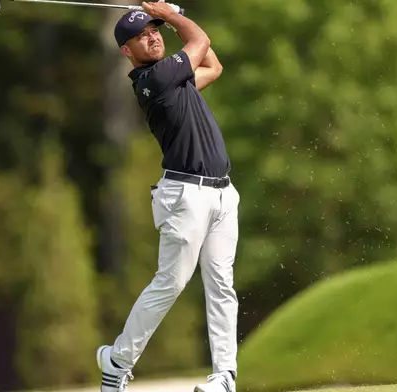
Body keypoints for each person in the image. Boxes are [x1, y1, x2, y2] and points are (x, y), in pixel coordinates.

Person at [96, 2, 240, 392]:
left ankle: (225, 377)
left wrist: (171, 20)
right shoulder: (155, 79)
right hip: (185, 194)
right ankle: (117, 361)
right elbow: (201, 40)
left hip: (223, 195)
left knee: (221, 284)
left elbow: (213, 65)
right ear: (127, 51)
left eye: (155, 29)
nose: (152, 36)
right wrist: (173, 14)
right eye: (142, 36)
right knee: (170, 283)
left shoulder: (179, 80)